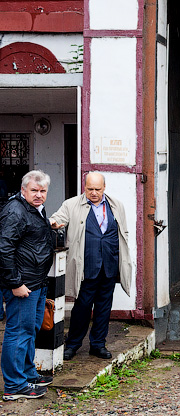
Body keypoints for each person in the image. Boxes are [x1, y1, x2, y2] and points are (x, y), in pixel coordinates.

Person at [51, 172, 133, 361]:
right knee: (82, 307)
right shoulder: (71, 205)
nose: (93, 193)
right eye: (90, 189)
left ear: (104, 187)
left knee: (104, 307)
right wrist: (54, 223)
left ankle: (98, 345)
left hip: (109, 265)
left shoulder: (115, 205)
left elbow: (123, 232)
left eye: (97, 189)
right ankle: (72, 344)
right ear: (84, 187)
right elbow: (57, 218)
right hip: (86, 266)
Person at [0, 170, 55, 400]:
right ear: (23, 190)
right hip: (23, 284)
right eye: (34, 190)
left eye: (43, 191)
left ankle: (27, 374)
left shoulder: (35, 209)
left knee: (30, 331)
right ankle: (14, 386)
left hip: (36, 281)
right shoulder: (15, 210)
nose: (39, 195)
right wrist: (15, 283)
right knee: (18, 333)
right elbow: (4, 249)